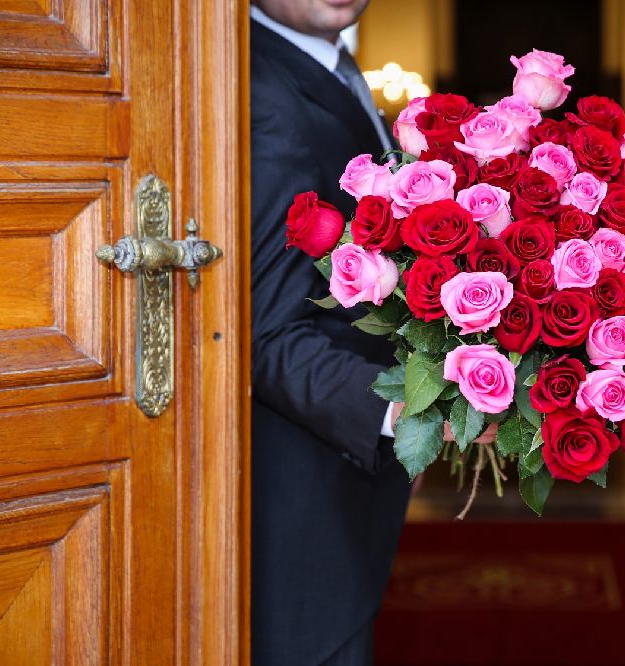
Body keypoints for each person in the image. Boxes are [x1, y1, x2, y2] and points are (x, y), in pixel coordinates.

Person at [249, 1, 407, 663]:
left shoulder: (328, 62)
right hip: (298, 480)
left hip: (345, 478)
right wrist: (403, 411)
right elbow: (264, 333)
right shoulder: (258, 87)